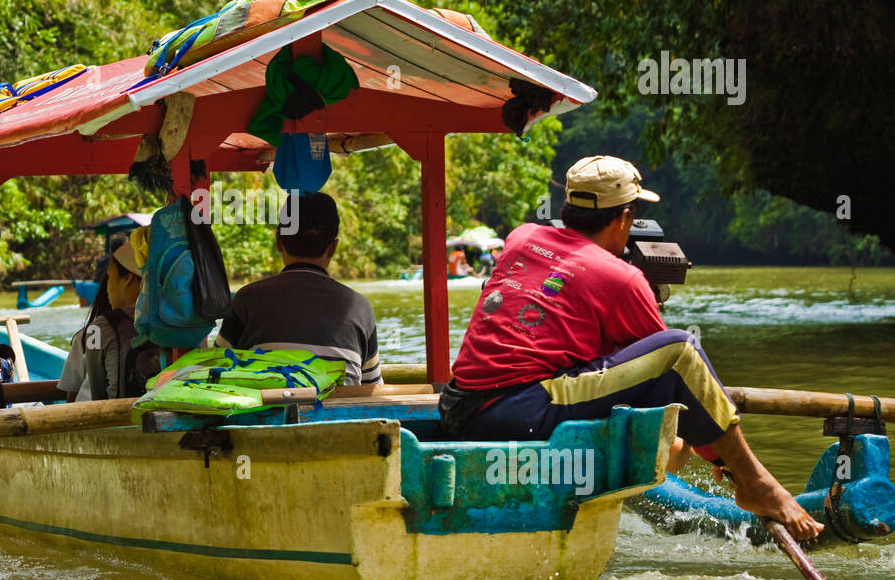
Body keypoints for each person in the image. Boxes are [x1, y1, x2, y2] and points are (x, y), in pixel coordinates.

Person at [439, 156, 822, 540]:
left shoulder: (522, 237)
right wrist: (715, 453)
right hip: (512, 413)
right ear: (625, 217)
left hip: (458, 404)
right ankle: (757, 484)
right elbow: (674, 376)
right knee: (680, 350)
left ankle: (740, 472)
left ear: (568, 207)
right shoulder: (623, 279)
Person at [215, 192, 381, 386]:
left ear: (278, 241)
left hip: (266, 414)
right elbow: (372, 386)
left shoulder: (246, 299)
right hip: (341, 414)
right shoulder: (360, 307)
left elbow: (217, 370)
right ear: (333, 247)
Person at [58, 240, 158, 401]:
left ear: (127, 278)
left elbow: (87, 396)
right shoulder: (179, 327)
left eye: (110, 277)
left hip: (107, 418)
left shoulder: (97, 329)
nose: (106, 288)